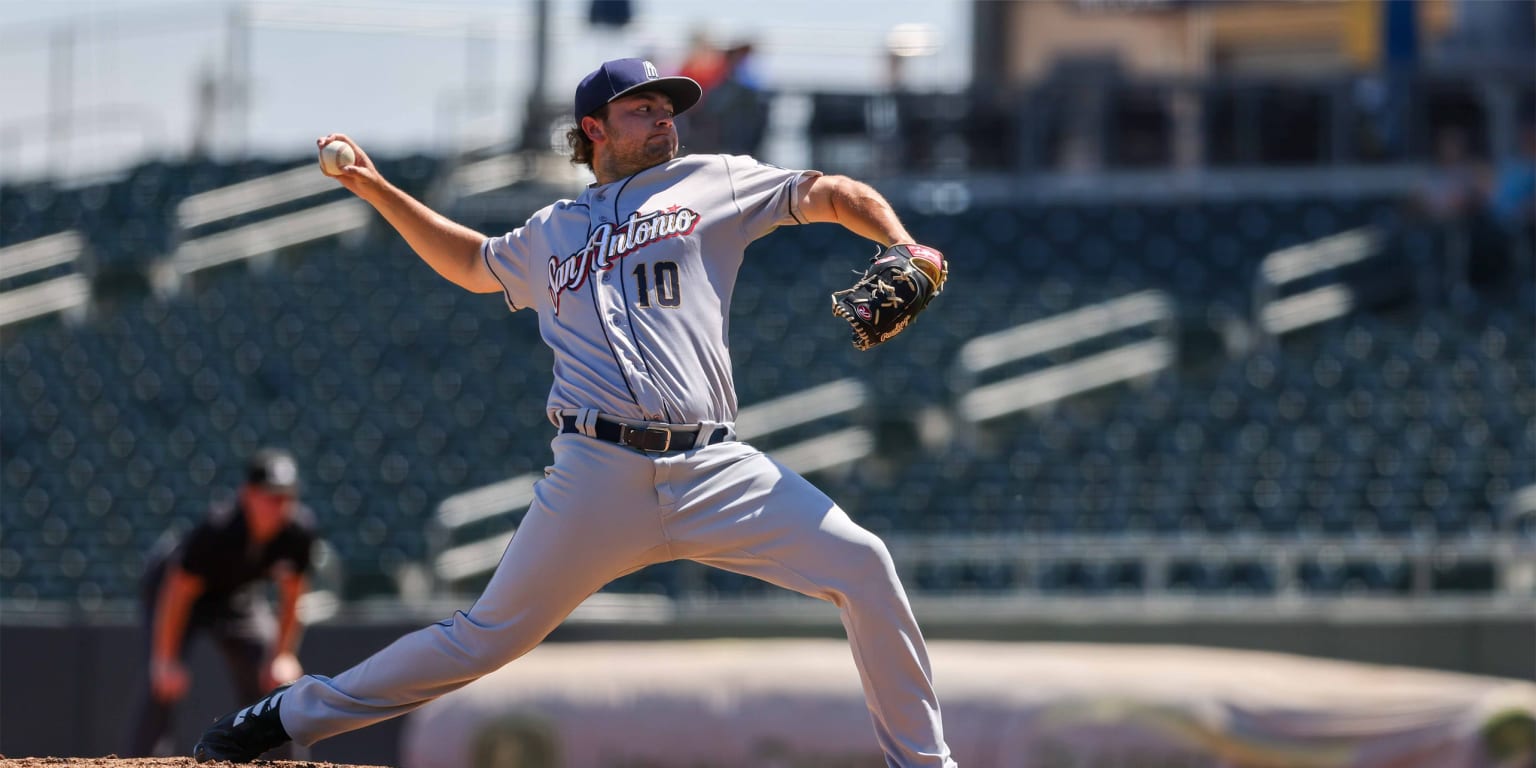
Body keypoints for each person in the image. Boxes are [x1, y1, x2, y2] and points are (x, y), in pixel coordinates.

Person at [193, 57, 957, 767]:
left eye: (670, 109)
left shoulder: (714, 181)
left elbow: (829, 193)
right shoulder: (549, 231)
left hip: (714, 466)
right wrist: (375, 188)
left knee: (864, 566)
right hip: (597, 474)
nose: (665, 121)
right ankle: (284, 718)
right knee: (481, 641)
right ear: (594, 128)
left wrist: (902, 243)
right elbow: (469, 263)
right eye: (644, 109)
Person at [129, 447, 316, 758]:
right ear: (248, 495)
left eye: (286, 497)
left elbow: (294, 592)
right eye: (270, 496)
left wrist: (281, 654)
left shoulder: (298, 531)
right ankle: (141, 761)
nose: (278, 506)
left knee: (273, 681)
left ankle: (284, 762)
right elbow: (178, 590)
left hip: (236, 597)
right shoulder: (219, 529)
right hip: (179, 595)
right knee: (162, 683)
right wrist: (165, 659)